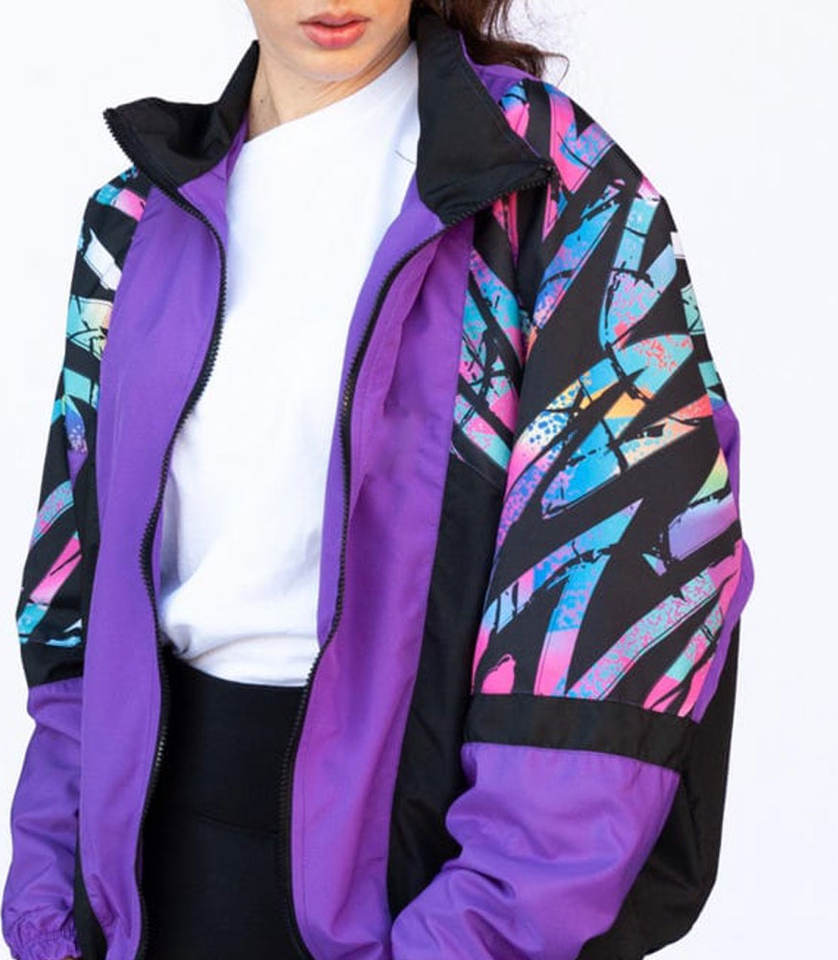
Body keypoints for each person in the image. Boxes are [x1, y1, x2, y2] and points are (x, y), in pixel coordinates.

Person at [2, 1, 756, 958]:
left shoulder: (547, 190)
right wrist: (51, 909)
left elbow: (620, 618)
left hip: (422, 897)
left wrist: (469, 938)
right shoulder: (138, 219)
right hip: (153, 896)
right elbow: (73, 607)